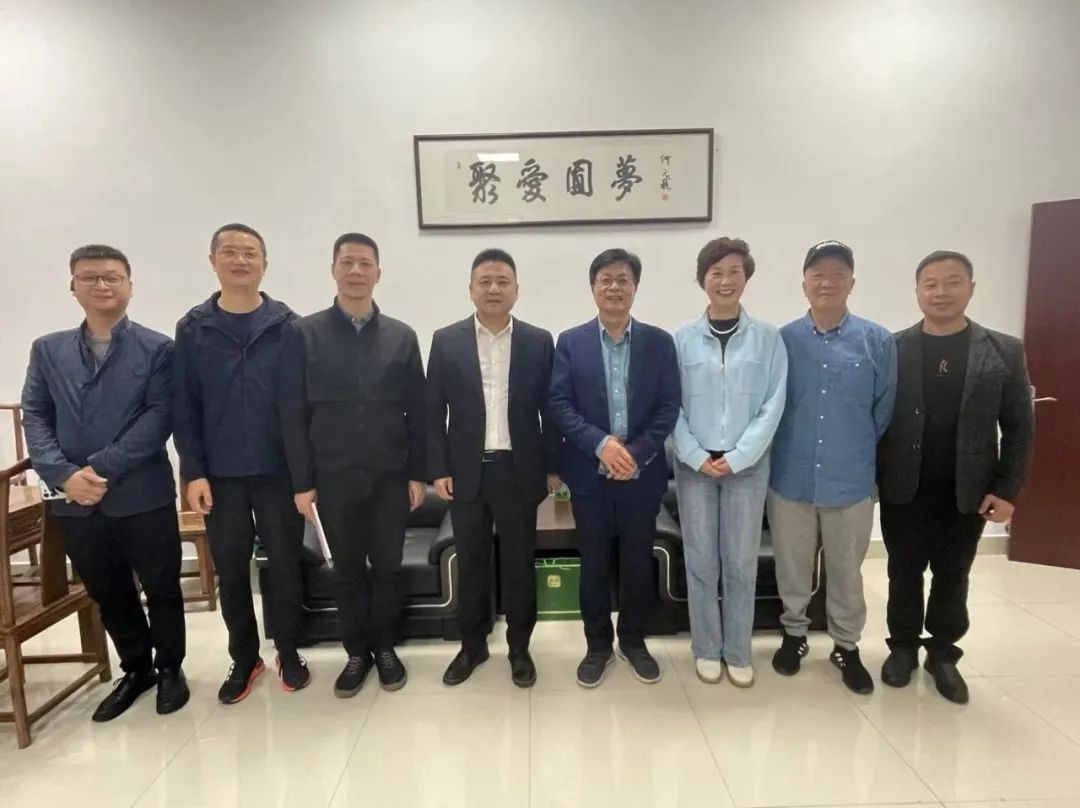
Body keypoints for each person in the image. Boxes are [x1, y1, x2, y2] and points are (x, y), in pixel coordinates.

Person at [21, 244, 188, 722]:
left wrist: (98, 468)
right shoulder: (48, 350)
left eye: (112, 277)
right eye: (89, 277)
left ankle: (170, 668)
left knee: (161, 585)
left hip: (142, 493)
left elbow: (159, 416)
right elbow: (36, 414)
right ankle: (136, 669)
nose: (102, 285)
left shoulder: (158, 349)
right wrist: (63, 474)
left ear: (130, 286)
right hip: (74, 499)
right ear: (73, 287)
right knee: (108, 589)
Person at [877, 250, 1033, 704]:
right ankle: (902, 648)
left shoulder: (1003, 350)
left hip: (969, 489)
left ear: (971, 288)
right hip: (904, 485)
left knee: (953, 574)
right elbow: (876, 419)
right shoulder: (893, 348)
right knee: (902, 571)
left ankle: (943, 654)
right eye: (930, 283)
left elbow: (1020, 428)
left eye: (952, 282)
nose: (940, 292)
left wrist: (1007, 490)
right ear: (917, 291)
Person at [279, 232, 426, 697]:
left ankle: (384, 648)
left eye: (365, 263)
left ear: (378, 273)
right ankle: (356, 653)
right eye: (348, 262)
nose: (356, 271)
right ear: (334, 270)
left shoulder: (401, 336)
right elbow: (292, 413)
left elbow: (419, 412)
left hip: (390, 477)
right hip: (331, 478)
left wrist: (417, 473)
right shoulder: (303, 334)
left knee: (386, 568)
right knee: (345, 571)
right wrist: (302, 482)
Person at [173, 223, 308, 703]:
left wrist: (304, 475)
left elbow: (301, 406)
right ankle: (245, 658)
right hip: (220, 476)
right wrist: (193, 471)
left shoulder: (289, 326)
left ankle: (288, 651)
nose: (240, 260)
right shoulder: (193, 328)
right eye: (229, 252)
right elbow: (184, 405)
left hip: (279, 472)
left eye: (250, 253)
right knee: (231, 571)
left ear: (264, 265)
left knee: (286, 566)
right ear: (213, 262)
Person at [426, 248, 562, 688]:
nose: (493, 289)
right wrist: (438, 468)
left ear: (517, 290)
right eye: (484, 281)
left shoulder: (539, 341)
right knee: (472, 564)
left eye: (503, 281)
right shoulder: (446, 340)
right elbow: (433, 412)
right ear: (470, 289)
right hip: (466, 472)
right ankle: (473, 646)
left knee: (519, 564)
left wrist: (552, 468)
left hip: (518, 471)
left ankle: (520, 647)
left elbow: (551, 411)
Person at [767, 240, 897, 694]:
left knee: (847, 571)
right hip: (791, 477)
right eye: (818, 275)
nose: (827, 282)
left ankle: (846, 645)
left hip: (850, 480)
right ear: (804, 284)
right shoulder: (782, 341)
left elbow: (883, 411)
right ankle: (794, 634)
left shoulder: (877, 341)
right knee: (792, 567)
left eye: (838, 274)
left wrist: (853, 451)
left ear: (852, 283)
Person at [549, 248, 680, 688]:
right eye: (605, 279)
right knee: (594, 563)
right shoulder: (571, 342)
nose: (614, 287)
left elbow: (669, 406)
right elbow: (559, 404)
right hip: (590, 475)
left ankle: (634, 641)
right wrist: (601, 445)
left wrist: (635, 454)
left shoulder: (659, 343)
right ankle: (597, 646)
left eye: (623, 279)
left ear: (635, 288)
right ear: (593, 288)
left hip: (641, 476)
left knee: (638, 561)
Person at [672, 238, 788, 687]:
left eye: (734, 271)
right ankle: (706, 648)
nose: (725, 280)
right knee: (701, 562)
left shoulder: (769, 338)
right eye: (716, 272)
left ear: (746, 278)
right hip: (694, 468)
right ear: (702, 279)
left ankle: (738, 651)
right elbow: (670, 405)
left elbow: (774, 404)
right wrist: (695, 455)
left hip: (747, 468)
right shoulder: (682, 340)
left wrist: (739, 456)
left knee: (740, 563)